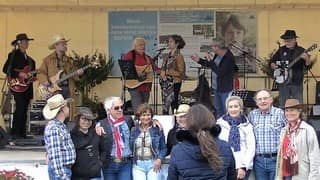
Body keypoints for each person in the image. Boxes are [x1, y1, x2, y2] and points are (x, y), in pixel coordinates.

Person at [168, 104, 236, 179]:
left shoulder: (177, 150)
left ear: (189, 123)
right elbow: (232, 177)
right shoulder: (225, 147)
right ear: (210, 120)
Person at [37, 34, 83, 116]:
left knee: (68, 113)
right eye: (63, 44)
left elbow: (74, 75)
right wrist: (46, 81)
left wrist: (78, 73)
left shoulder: (69, 61)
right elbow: (40, 73)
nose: (65, 45)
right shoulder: (48, 60)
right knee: (55, 113)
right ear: (56, 45)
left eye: (65, 44)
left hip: (67, 90)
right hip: (54, 91)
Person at [2, 33, 36, 141]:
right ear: (19, 43)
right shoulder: (13, 55)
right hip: (17, 86)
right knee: (20, 107)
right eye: (24, 41)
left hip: (27, 87)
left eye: (27, 41)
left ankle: (22, 132)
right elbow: (6, 69)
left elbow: (32, 76)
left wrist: (32, 76)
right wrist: (19, 74)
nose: (27, 43)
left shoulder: (31, 60)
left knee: (24, 108)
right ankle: (15, 131)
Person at [275, 99, 320, 180]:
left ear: (299, 112)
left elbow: (315, 157)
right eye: (287, 111)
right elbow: (281, 156)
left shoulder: (307, 130)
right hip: (285, 175)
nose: (289, 113)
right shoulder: (284, 131)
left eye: (292, 110)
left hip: (301, 175)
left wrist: (314, 178)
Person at [191, 38, 235, 118]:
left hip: (225, 89)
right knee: (218, 111)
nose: (211, 48)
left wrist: (210, 61)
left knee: (226, 110)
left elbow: (220, 72)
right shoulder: (217, 55)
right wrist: (199, 60)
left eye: (213, 46)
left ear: (218, 47)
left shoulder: (229, 58)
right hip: (216, 87)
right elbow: (211, 66)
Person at [248, 89, 287, 180]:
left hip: (276, 160)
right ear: (256, 102)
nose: (263, 101)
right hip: (259, 161)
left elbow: (289, 133)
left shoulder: (280, 113)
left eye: (265, 98)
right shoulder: (252, 115)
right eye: (260, 99)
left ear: (271, 100)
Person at [217, 96, 255, 180]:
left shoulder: (247, 125)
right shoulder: (219, 124)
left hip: (241, 166)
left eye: (236, 106)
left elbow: (251, 148)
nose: (233, 109)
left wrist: (243, 167)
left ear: (240, 108)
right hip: (224, 165)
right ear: (227, 109)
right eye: (230, 107)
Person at [270, 30, 311, 108]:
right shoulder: (281, 50)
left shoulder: (301, 50)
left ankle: (297, 119)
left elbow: (308, 66)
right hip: (283, 83)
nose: (287, 42)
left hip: (296, 82)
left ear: (295, 40)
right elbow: (272, 61)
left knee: (297, 105)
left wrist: (307, 59)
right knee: (283, 104)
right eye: (285, 40)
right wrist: (272, 64)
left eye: (289, 40)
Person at [70, 107, 112, 180]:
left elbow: (104, 150)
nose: (86, 122)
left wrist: (100, 163)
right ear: (78, 119)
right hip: (77, 176)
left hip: (95, 175)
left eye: (89, 119)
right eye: (83, 119)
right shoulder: (71, 135)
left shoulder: (96, 133)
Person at [43, 94, 75, 180]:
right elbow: (55, 154)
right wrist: (62, 176)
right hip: (61, 171)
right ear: (62, 109)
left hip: (64, 169)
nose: (68, 108)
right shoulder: (54, 128)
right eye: (67, 106)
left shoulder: (59, 126)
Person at [123, 37, 160, 114]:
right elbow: (126, 68)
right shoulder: (130, 55)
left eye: (143, 45)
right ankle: (137, 123)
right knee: (138, 107)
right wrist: (137, 73)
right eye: (140, 45)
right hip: (134, 85)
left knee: (144, 107)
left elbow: (155, 68)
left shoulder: (147, 57)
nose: (142, 47)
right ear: (135, 46)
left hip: (146, 86)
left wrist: (163, 71)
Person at [130, 103, 166, 180]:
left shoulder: (157, 129)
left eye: (148, 115)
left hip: (153, 163)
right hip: (137, 165)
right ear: (139, 116)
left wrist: (159, 159)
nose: (146, 117)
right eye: (143, 115)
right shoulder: (134, 130)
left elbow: (164, 148)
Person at [160, 34, 186, 115]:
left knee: (174, 104)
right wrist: (162, 73)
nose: (169, 43)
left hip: (175, 83)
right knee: (165, 105)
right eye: (168, 41)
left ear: (177, 43)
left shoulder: (179, 56)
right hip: (166, 84)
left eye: (171, 41)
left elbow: (181, 72)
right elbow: (163, 68)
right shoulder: (168, 55)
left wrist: (167, 72)